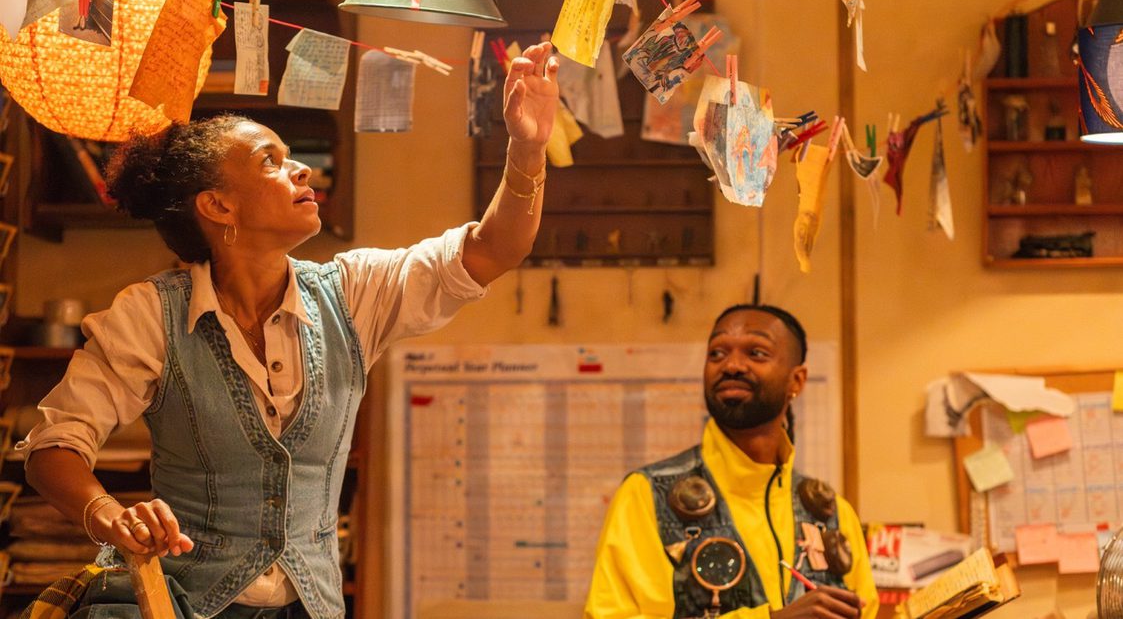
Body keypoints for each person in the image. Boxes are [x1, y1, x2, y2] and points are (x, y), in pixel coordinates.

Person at [17, 42, 560, 619]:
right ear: (219, 207)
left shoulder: (355, 292)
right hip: (182, 605)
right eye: (269, 161)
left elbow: (495, 248)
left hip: (312, 606)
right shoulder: (150, 314)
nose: (299, 167)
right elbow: (52, 448)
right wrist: (110, 514)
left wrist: (527, 148)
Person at [584, 304, 878, 619]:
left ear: (797, 381)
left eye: (757, 353)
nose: (732, 365)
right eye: (717, 354)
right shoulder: (649, 495)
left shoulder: (832, 513)